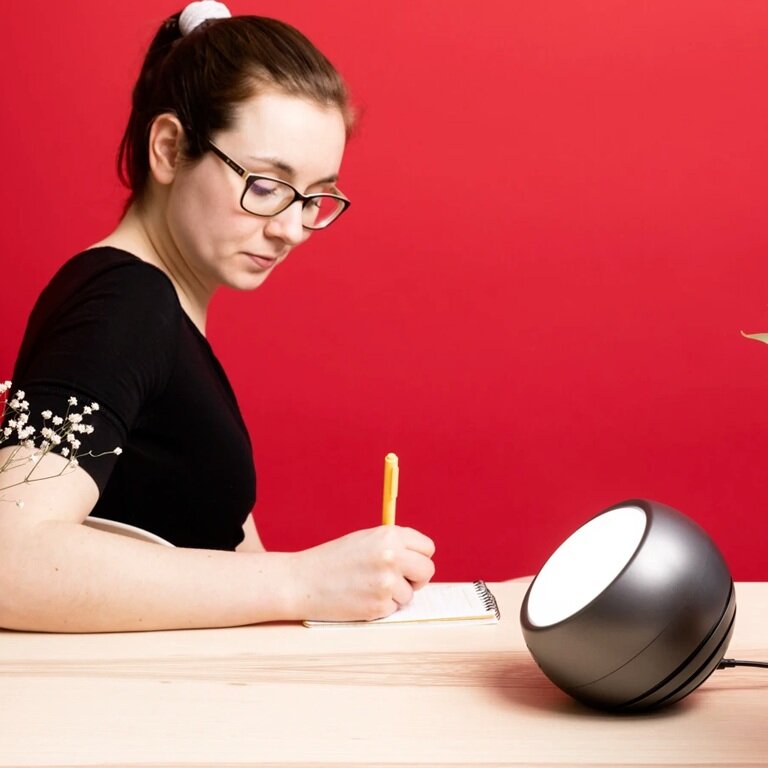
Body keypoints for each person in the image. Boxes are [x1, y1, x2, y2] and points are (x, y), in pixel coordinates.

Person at [0, 1, 435, 632]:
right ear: (170, 149)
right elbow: (11, 558)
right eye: (266, 185)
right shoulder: (125, 305)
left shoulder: (159, 311)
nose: (291, 229)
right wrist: (301, 581)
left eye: (315, 198)